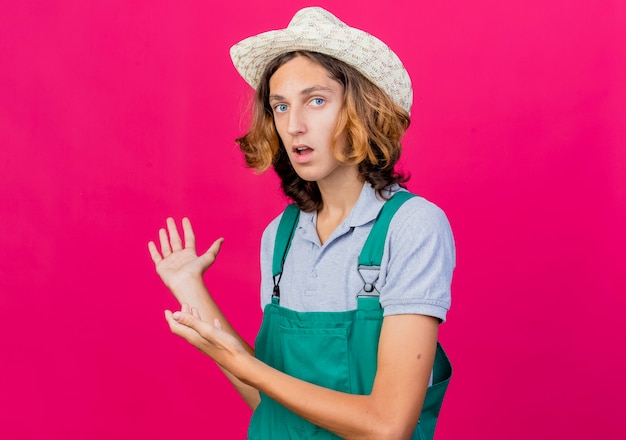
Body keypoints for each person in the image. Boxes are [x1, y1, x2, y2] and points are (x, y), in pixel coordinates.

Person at [148, 7, 455, 439]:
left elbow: (388, 426)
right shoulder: (281, 237)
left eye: (316, 100)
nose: (294, 126)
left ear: (361, 108)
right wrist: (190, 288)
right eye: (279, 106)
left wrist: (246, 364)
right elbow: (271, 402)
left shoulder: (412, 226)